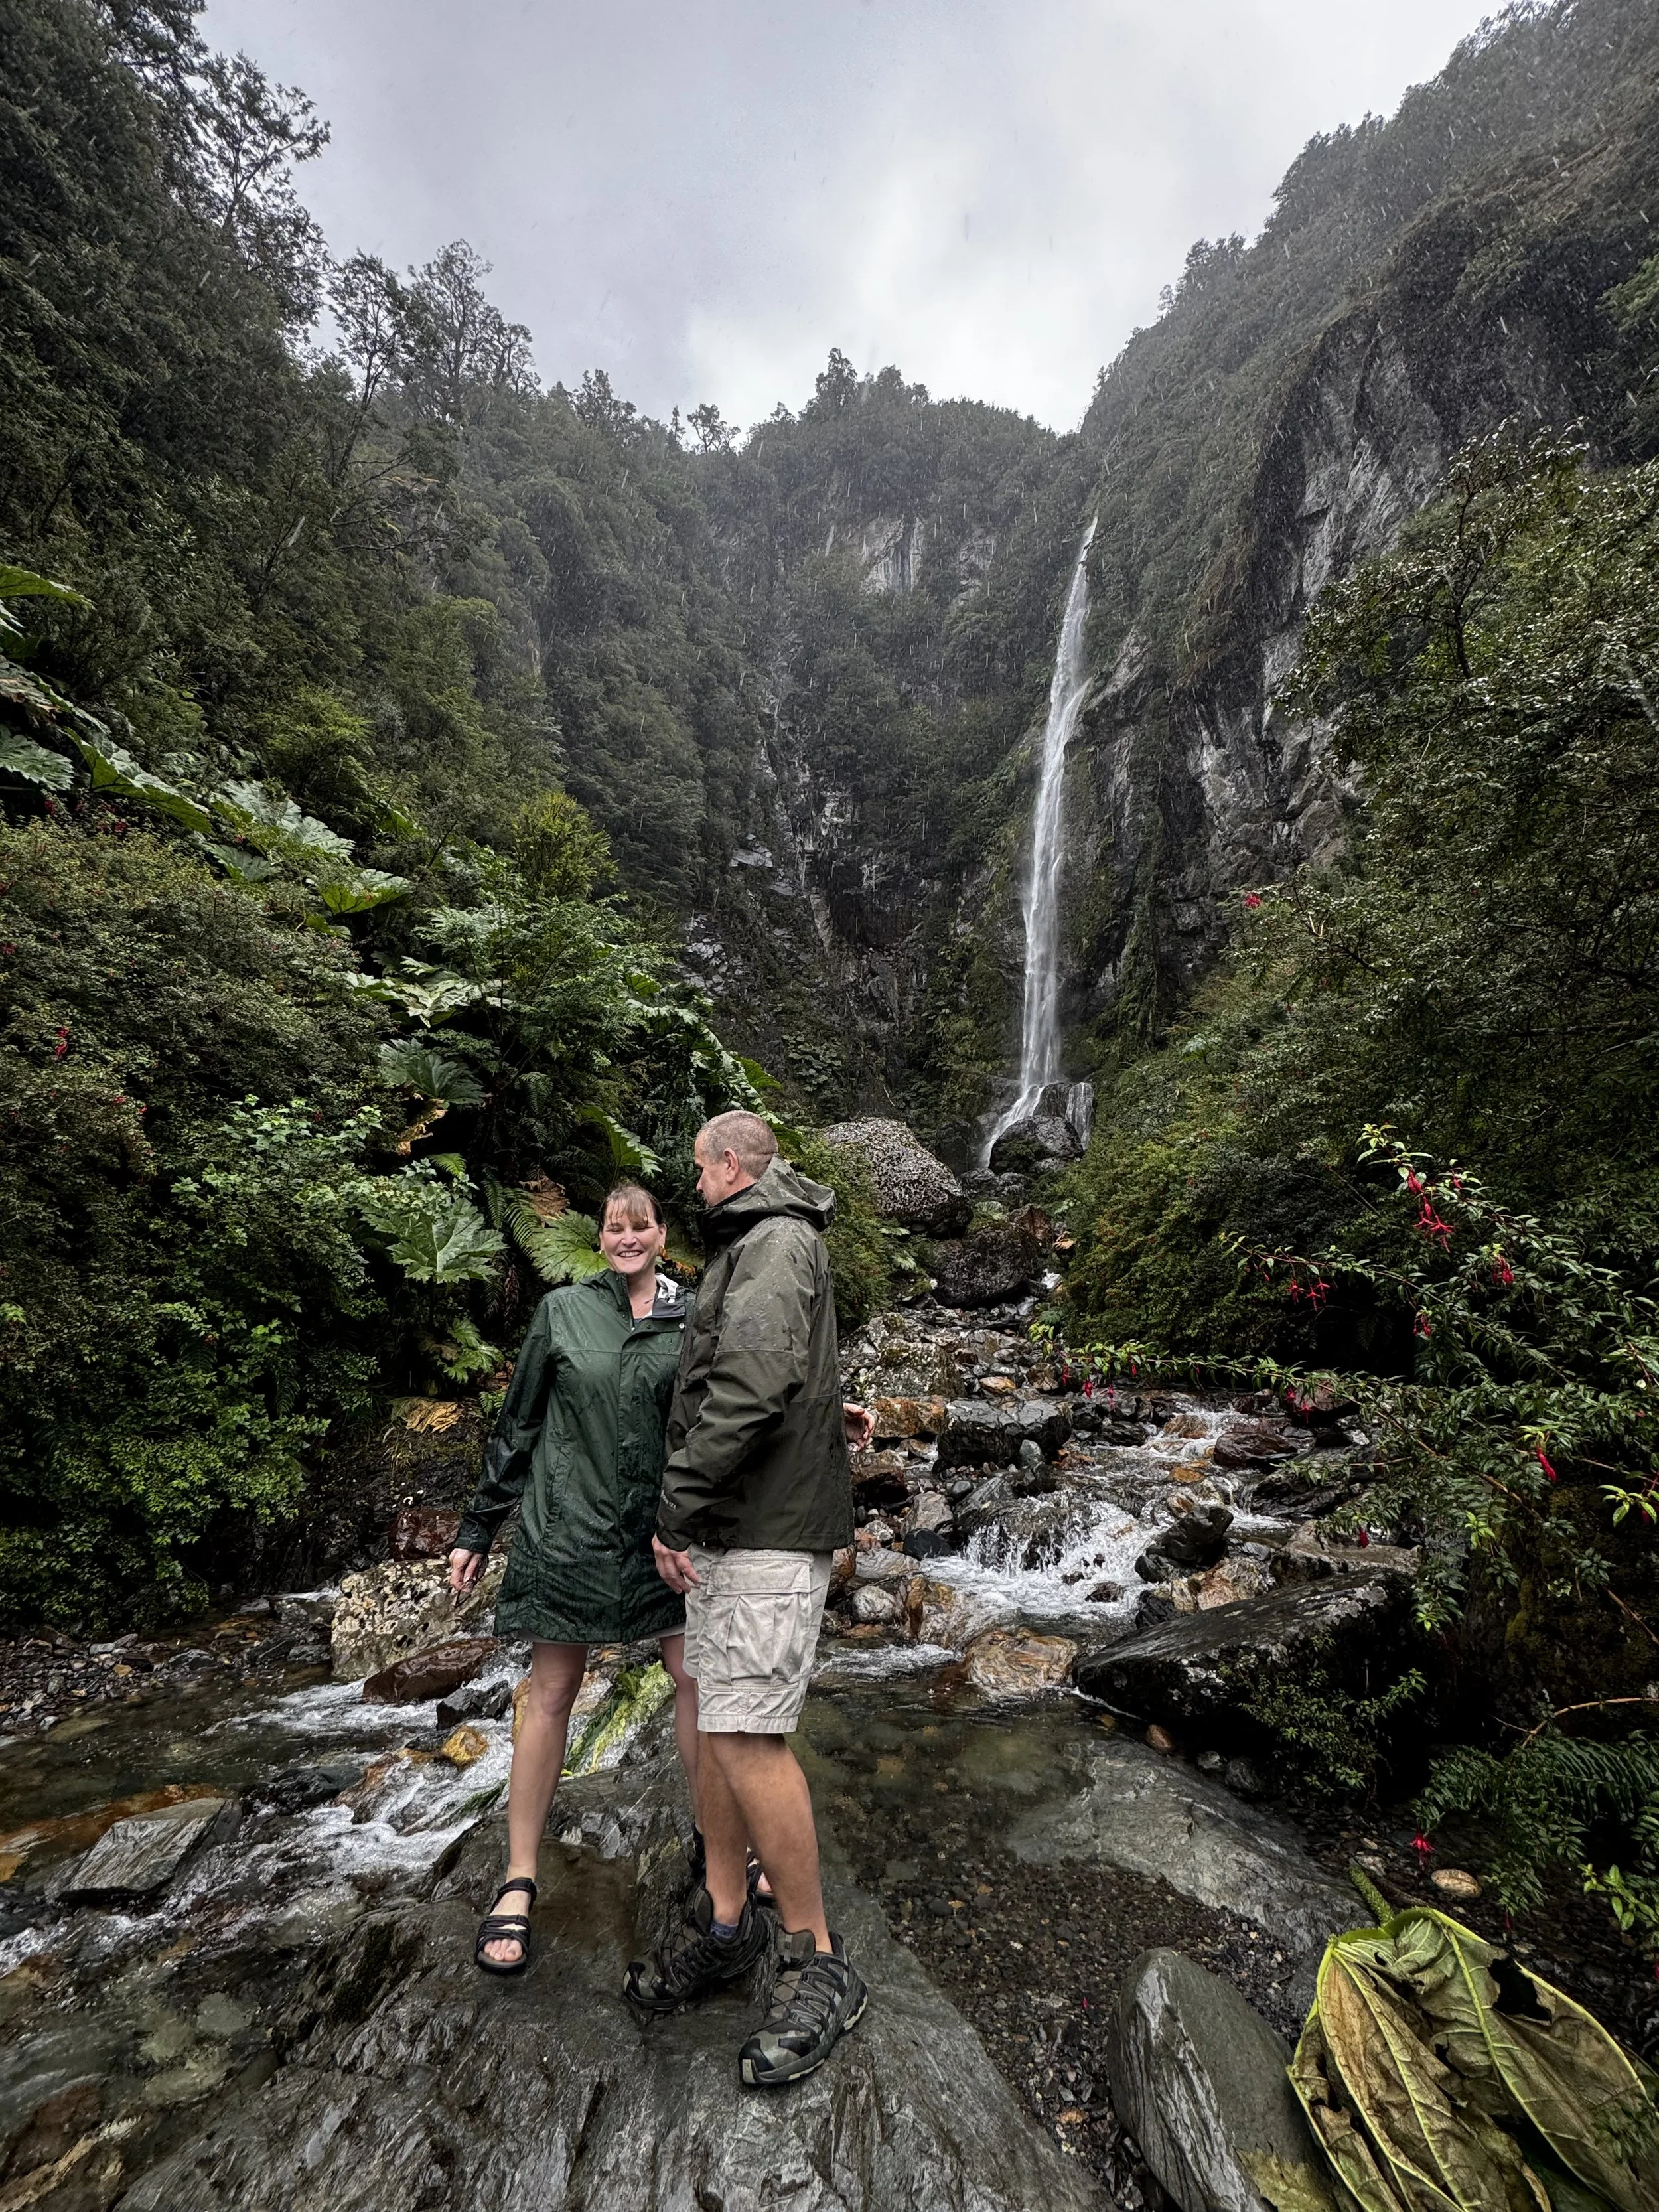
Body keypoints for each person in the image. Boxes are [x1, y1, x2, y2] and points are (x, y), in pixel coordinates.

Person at [624, 1110, 875, 2089]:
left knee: (747, 1738)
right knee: (723, 1723)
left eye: (697, 1169)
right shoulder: (764, 1241)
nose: (691, 1185)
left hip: (765, 1531)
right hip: (742, 1527)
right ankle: (727, 1922)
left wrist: (676, 1506)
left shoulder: (773, 1240)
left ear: (730, 1166)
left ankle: (819, 1959)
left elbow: (755, 1380)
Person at [447, 1181, 696, 1975]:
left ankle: (726, 1846)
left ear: (662, 1235)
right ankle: (518, 1879)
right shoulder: (562, 1313)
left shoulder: (691, 1317)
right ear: (601, 1236)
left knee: (696, 1676)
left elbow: (734, 1408)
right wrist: (478, 1528)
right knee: (550, 1692)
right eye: (614, 1227)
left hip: (661, 1536)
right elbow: (517, 1422)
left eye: (641, 1226)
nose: (627, 1238)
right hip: (570, 1530)